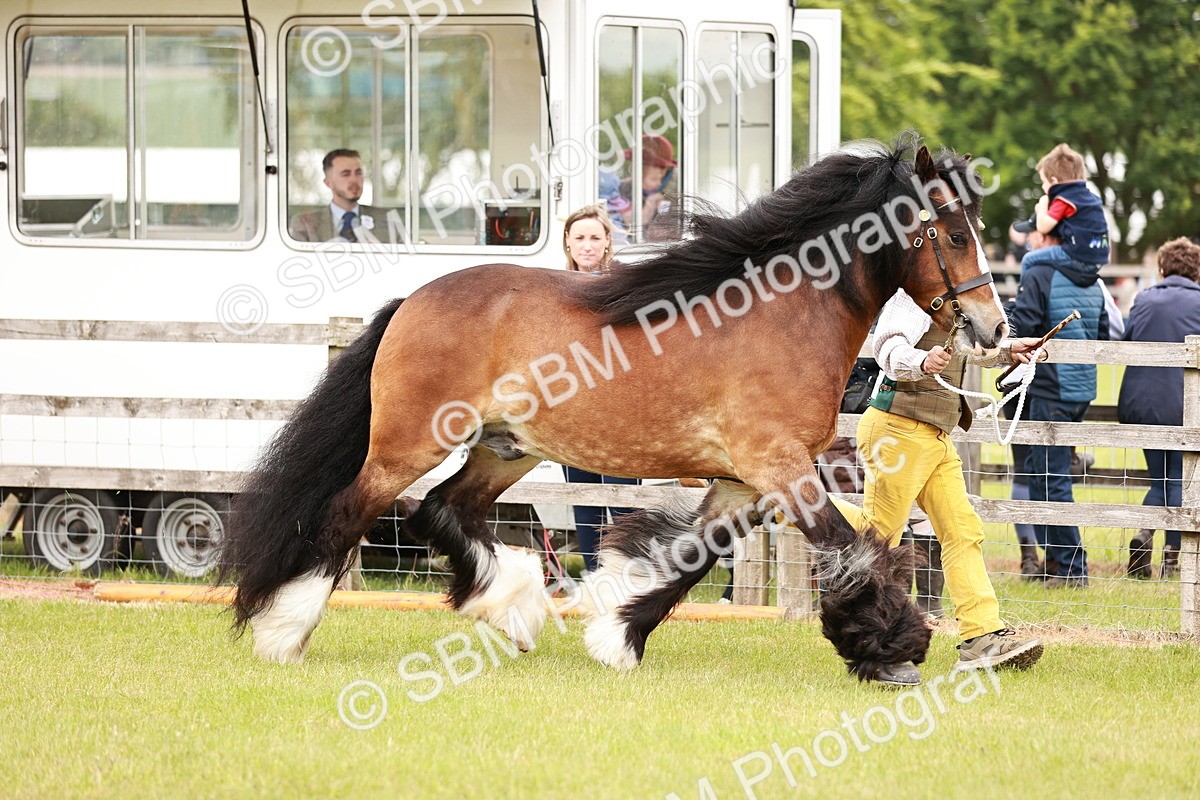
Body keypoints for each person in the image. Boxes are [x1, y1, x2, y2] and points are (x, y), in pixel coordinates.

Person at [832, 288, 1047, 685]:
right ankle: (792, 502)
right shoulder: (908, 296)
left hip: (934, 436)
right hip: (898, 429)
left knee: (963, 531)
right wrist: (921, 360)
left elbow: (964, 348)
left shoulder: (955, 297)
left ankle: (980, 637)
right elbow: (888, 349)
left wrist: (1009, 351)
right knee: (879, 537)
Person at [1008, 143, 1111, 588]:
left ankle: (1072, 568)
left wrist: (1008, 320)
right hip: (1081, 388)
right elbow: (1105, 333)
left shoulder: (1040, 272)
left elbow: (1026, 324)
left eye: (1036, 232)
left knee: (1047, 477)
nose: (1032, 238)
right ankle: (1055, 561)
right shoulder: (1094, 279)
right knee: (1045, 472)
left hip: (1049, 386)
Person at [560, 205, 638, 571]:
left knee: (623, 501)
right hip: (569, 414)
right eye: (580, 238)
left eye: (595, 237)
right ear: (568, 243)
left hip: (620, 413)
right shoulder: (551, 293)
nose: (587, 246)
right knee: (584, 500)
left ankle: (627, 579)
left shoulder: (624, 288)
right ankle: (592, 580)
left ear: (608, 242)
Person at [1119, 237, 1200, 579]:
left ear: (1163, 267)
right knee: (1178, 480)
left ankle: (1144, 532)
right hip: (1185, 402)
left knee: (1162, 477)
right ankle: (1170, 558)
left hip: (1143, 402)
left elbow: (1127, 340)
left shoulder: (1144, 299)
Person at [288, 149, 389, 243]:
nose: (354, 180)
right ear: (328, 183)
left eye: (358, 173)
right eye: (345, 174)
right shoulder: (305, 224)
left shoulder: (386, 220)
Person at [618, 134, 678, 241]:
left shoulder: (671, 196)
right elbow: (627, 223)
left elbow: (677, 232)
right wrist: (649, 205)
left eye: (664, 167)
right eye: (656, 165)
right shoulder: (622, 190)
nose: (661, 171)